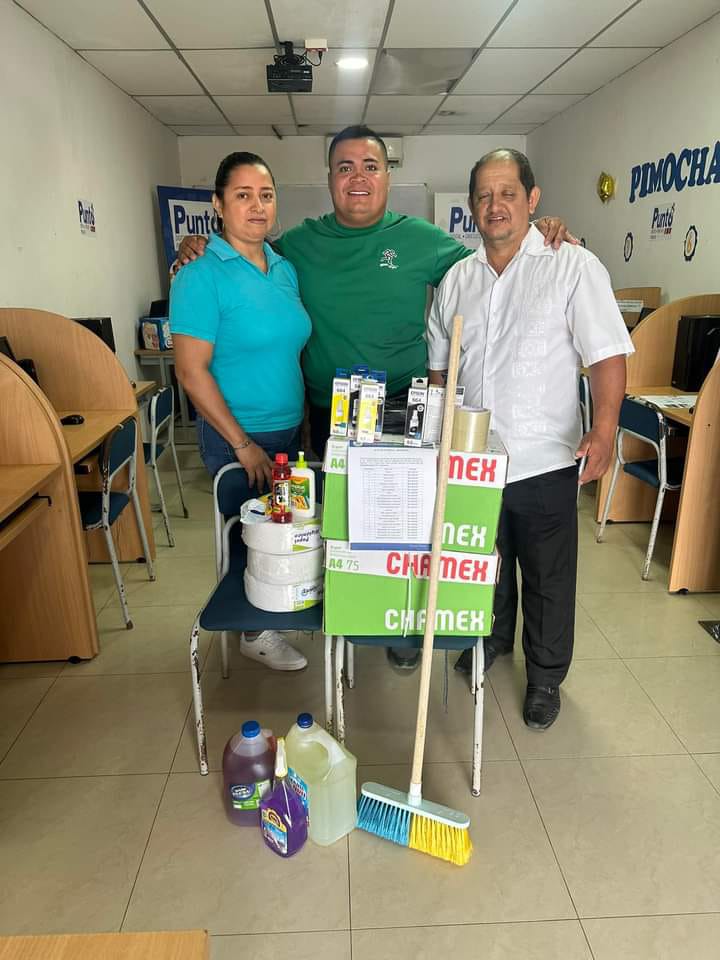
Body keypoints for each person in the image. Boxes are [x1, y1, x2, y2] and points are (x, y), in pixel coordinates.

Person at [177, 126, 574, 668]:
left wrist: (539, 231)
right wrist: (198, 245)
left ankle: (399, 625)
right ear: (330, 179)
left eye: (371, 166)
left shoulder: (420, 239)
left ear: (388, 176)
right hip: (328, 412)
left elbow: (490, 260)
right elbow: (239, 256)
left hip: (402, 409)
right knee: (336, 524)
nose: (358, 177)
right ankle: (338, 612)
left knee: (402, 524)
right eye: (345, 167)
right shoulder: (294, 248)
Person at [427, 148, 633, 730]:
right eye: (484, 196)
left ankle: (545, 677)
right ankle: (491, 639)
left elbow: (606, 355)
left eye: (508, 193)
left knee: (547, 577)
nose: (496, 206)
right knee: (485, 563)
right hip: (472, 458)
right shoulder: (457, 279)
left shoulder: (572, 266)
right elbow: (440, 369)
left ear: (532, 199)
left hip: (546, 457)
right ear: (472, 206)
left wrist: (604, 428)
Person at [170, 151, 311, 672]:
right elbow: (191, 372)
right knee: (246, 536)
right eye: (243, 195)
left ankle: (269, 611)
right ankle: (252, 632)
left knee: (279, 534)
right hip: (238, 436)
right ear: (218, 204)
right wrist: (242, 443)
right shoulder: (199, 276)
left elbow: (287, 349)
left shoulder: (284, 268)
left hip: (287, 432)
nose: (257, 206)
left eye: (266, 195)